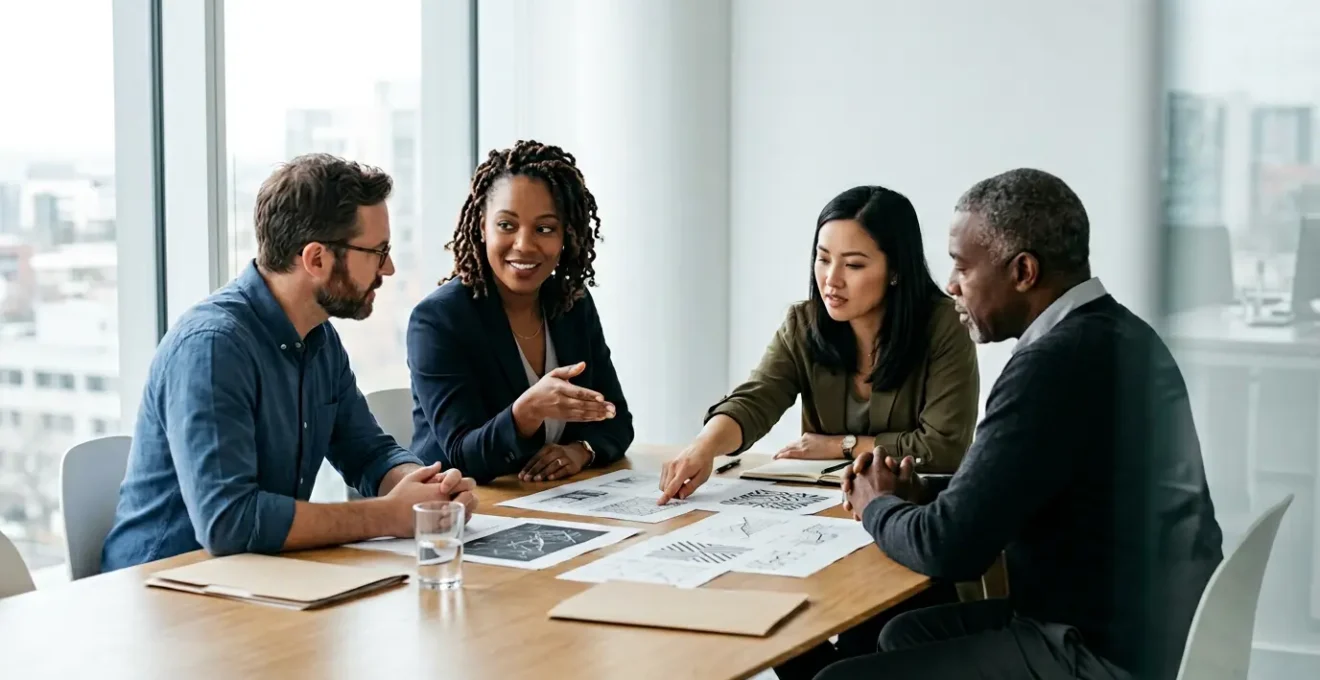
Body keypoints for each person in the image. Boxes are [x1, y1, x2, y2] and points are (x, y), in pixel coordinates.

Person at [828, 168, 1224, 680]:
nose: (950, 286)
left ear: (1023, 272)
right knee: (902, 634)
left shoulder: (1052, 364)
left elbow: (950, 551)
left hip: (1098, 652)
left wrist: (875, 504)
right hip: (1151, 625)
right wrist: (924, 494)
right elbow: (1043, 485)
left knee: (838, 678)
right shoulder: (1121, 333)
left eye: (962, 267)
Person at [658, 185, 981, 679]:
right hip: (822, 530)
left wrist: (841, 445)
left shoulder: (942, 325)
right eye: (822, 258)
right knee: (767, 620)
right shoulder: (805, 323)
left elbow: (943, 447)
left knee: (856, 649)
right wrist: (703, 447)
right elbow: (757, 397)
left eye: (853, 265)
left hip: (905, 528)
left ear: (895, 270)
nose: (832, 280)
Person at [101, 154, 478, 572]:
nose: (388, 268)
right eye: (378, 251)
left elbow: (368, 453)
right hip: (163, 592)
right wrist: (390, 515)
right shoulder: (212, 347)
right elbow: (229, 522)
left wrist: (429, 489)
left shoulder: (318, 337)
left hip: (255, 579)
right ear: (316, 259)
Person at [406, 140, 634, 485]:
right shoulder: (439, 320)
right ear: (482, 226)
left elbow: (616, 419)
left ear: (565, 237)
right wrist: (526, 412)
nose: (525, 245)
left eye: (545, 229)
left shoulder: (572, 304)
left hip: (549, 504)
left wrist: (581, 450)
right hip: (465, 506)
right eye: (507, 225)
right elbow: (462, 454)